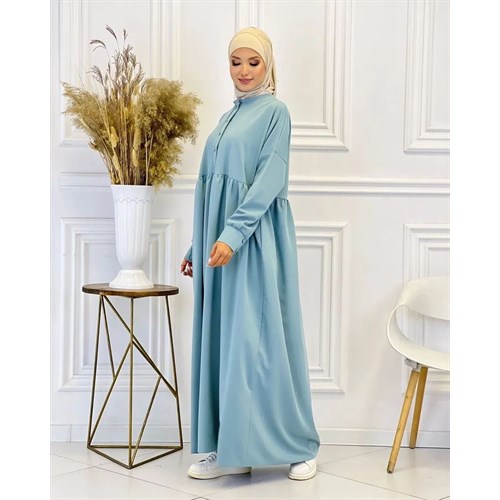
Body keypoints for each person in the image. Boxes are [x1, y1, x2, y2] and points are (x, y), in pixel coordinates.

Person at [180, 26, 320, 481]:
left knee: (263, 346)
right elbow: (213, 190)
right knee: (227, 347)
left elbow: (269, 181)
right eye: (236, 62)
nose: (243, 71)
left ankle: (300, 446)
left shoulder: (275, 112)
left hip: (254, 243)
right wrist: (198, 244)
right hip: (221, 249)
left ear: (268, 65)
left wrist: (232, 235)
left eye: (253, 62)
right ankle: (231, 450)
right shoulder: (228, 117)